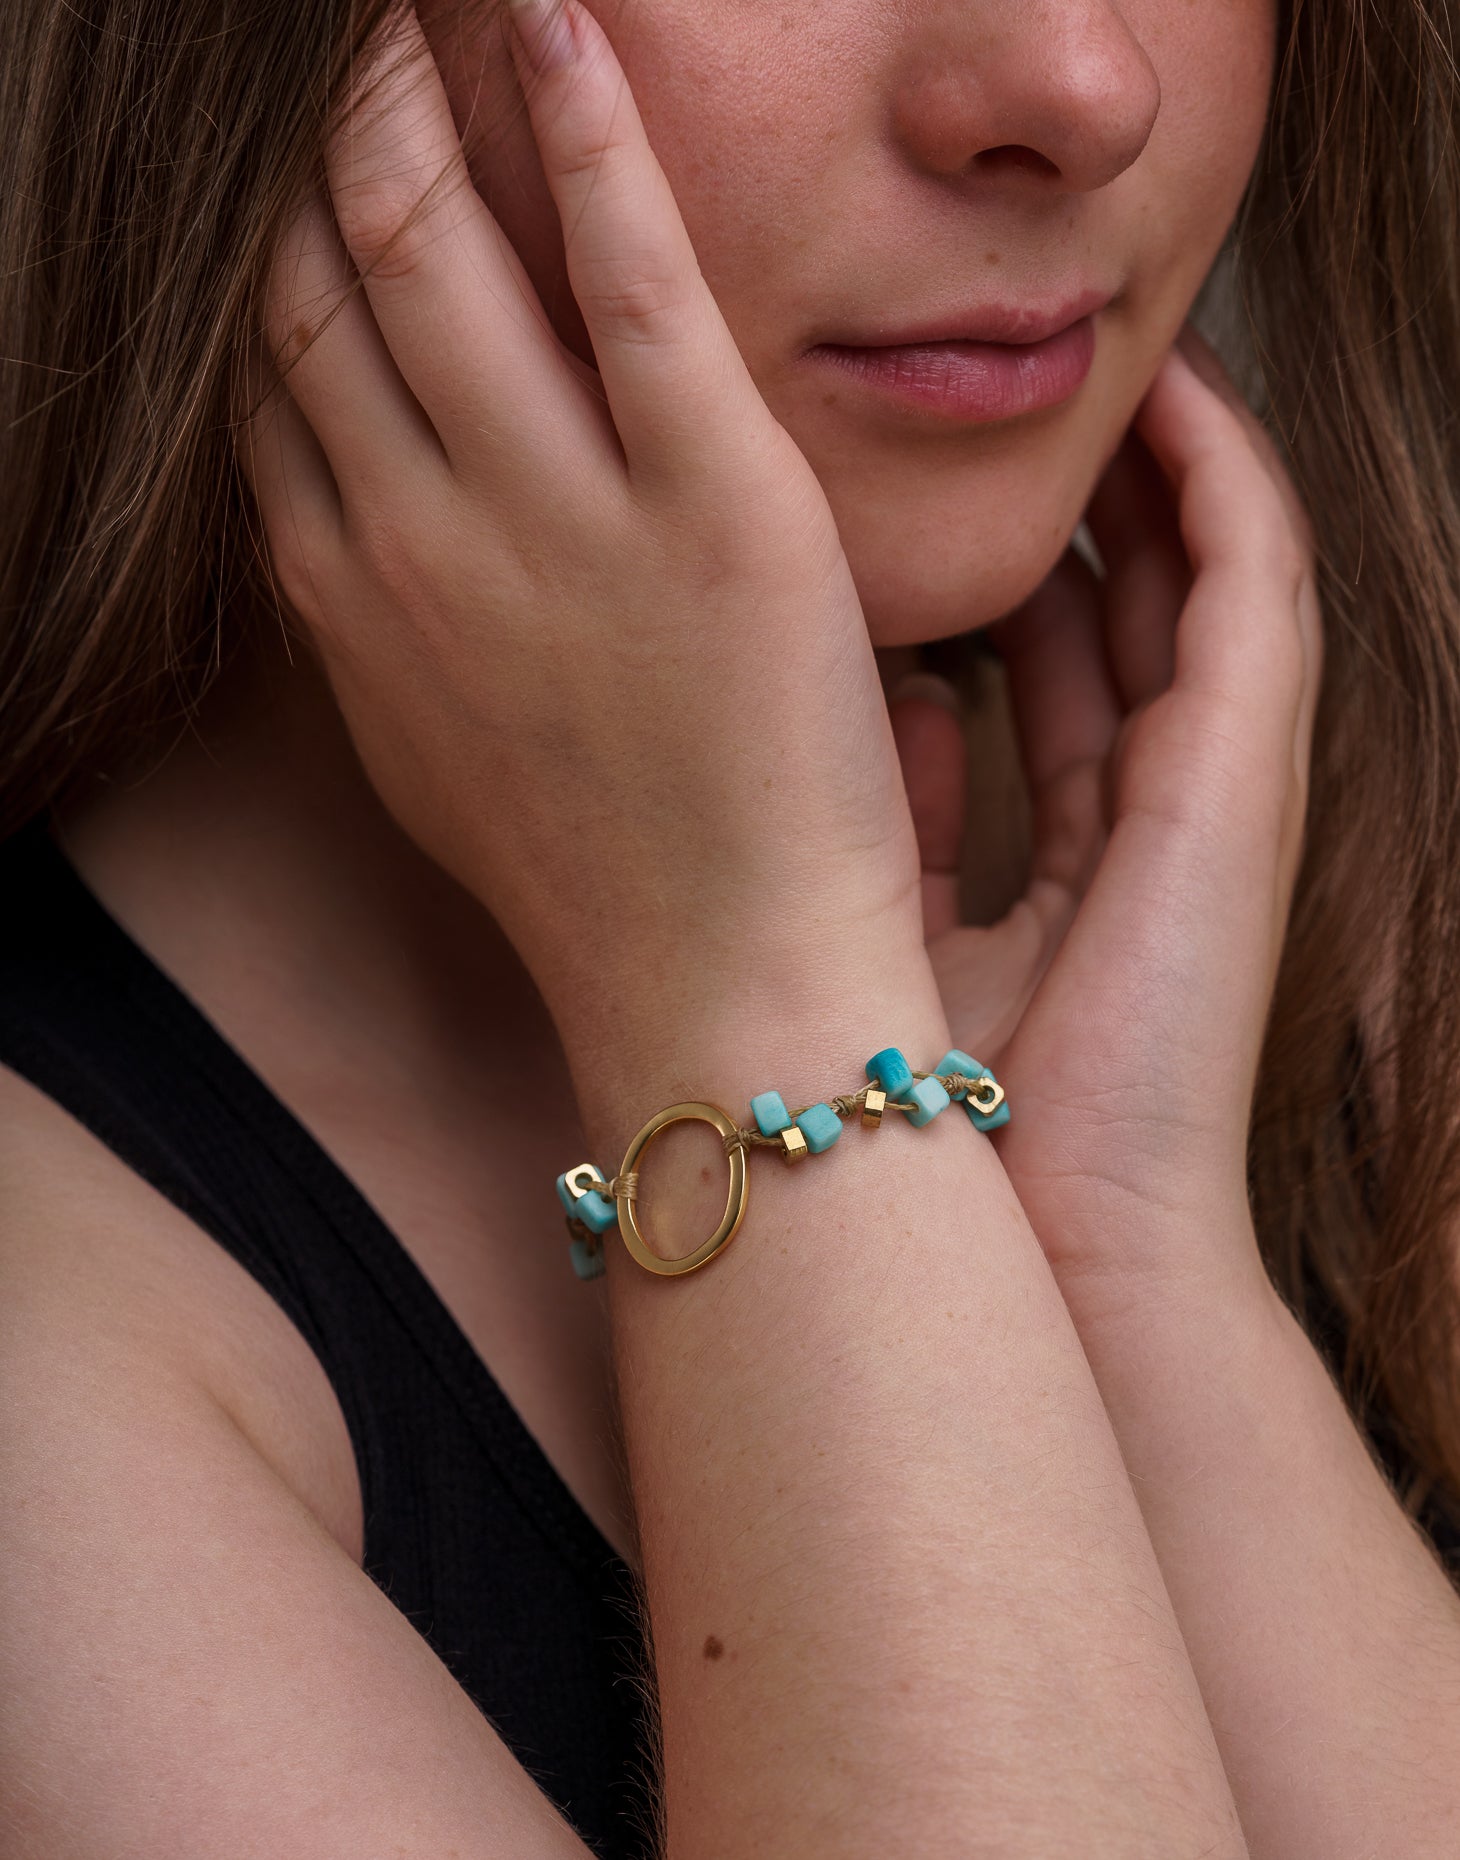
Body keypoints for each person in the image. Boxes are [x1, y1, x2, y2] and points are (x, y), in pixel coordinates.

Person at [4, 0, 1460, 1853]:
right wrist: (756, 995)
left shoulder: (1355, 901)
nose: (1086, 87)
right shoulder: (55, 1448)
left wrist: (1139, 1275)